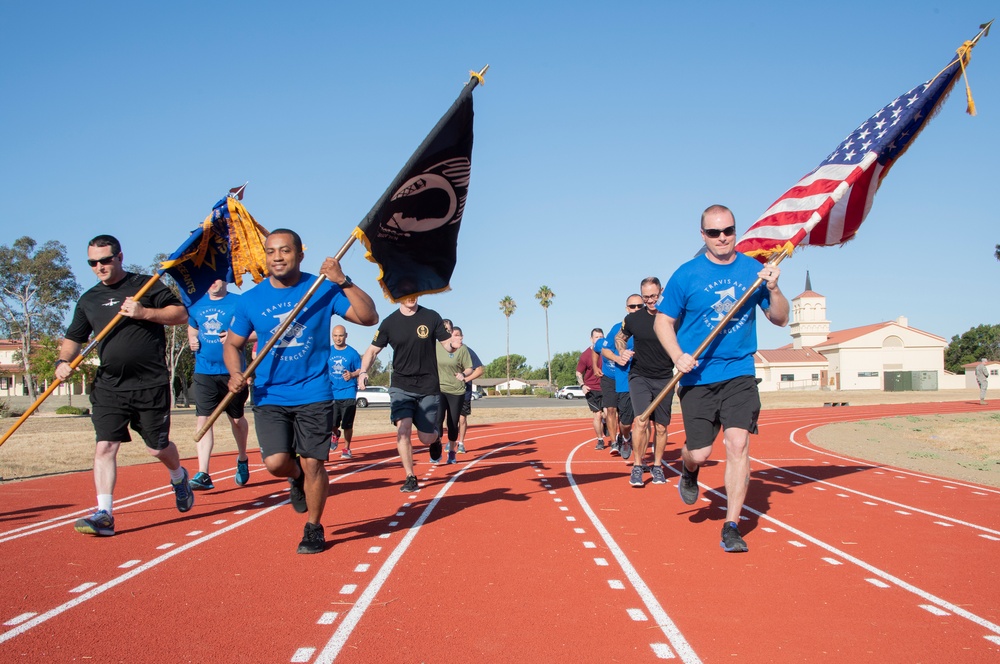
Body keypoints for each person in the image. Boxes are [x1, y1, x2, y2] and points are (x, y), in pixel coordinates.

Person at [225, 229, 378, 554]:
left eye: (284, 250)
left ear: (300, 255)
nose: (277, 257)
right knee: (277, 463)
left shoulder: (320, 290)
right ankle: (293, 477)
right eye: (271, 251)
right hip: (270, 395)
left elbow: (369, 317)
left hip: (315, 393)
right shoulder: (251, 300)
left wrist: (343, 281)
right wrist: (235, 372)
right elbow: (232, 344)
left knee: (314, 464)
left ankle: (313, 526)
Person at [656, 204, 789, 553]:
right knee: (699, 452)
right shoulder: (686, 275)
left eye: (728, 231)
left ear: (735, 231)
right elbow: (663, 322)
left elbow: (780, 319)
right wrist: (677, 356)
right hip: (697, 375)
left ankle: (732, 525)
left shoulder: (754, 270)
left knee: (738, 445)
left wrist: (774, 290)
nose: (722, 238)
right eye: (713, 233)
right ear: (703, 235)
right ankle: (688, 470)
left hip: (739, 372)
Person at [56, 235, 194, 537]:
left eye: (105, 260)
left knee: (157, 449)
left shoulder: (146, 285)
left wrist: (144, 312)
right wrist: (63, 362)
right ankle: (104, 513)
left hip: (150, 383)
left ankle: (178, 475)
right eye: (93, 262)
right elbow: (73, 338)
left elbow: (181, 314)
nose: (99, 267)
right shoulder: (88, 299)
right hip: (109, 386)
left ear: (119, 256)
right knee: (105, 446)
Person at [358, 295, 453, 492]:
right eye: (406, 293)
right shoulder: (390, 323)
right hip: (401, 385)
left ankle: (435, 438)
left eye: (415, 292)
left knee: (425, 438)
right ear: (397, 297)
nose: (411, 297)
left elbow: (447, 344)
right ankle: (410, 476)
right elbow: (372, 351)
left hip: (428, 386)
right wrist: (363, 371)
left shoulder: (431, 316)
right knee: (403, 430)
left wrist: (454, 344)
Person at [187, 279, 252, 490]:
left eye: (216, 277)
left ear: (225, 279)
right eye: (208, 277)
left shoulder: (240, 302)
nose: (211, 282)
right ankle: (203, 472)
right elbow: (192, 327)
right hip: (204, 371)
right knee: (204, 420)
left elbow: (258, 330)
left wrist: (236, 338)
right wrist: (192, 340)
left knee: (236, 419)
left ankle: (242, 458)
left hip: (232, 373)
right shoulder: (196, 303)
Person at [616, 278, 674, 488]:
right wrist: (622, 351)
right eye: (646, 297)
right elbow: (619, 337)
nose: (651, 301)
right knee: (641, 420)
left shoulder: (673, 317)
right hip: (640, 375)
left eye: (654, 296)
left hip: (666, 377)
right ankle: (638, 466)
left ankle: (657, 466)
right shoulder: (633, 319)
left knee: (660, 426)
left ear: (661, 292)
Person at [598, 294, 641, 456]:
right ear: (626, 309)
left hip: (639, 378)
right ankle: (618, 440)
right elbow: (601, 349)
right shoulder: (618, 328)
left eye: (639, 306)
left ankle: (634, 449)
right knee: (614, 413)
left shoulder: (651, 326)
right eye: (632, 306)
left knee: (636, 419)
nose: (636, 309)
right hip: (616, 378)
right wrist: (616, 359)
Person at [442, 319, 485, 453]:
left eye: (457, 335)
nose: (454, 337)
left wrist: (466, 379)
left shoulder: (467, 351)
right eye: (452, 334)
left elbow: (479, 369)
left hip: (463, 391)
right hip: (448, 390)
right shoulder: (444, 350)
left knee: (461, 418)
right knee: (449, 418)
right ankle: (451, 441)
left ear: (461, 337)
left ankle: (461, 442)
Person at [435, 326, 474, 464]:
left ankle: (452, 451)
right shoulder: (435, 345)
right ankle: (436, 447)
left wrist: (463, 374)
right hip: (439, 388)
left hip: (456, 390)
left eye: (458, 335)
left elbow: (470, 368)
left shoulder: (462, 349)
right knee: (437, 419)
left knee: (452, 423)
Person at [329, 325, 363, 459]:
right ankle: (335, 434)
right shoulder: (327, 352)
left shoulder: (352, 353)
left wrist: (352, 374)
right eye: (335, 336)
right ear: (332, 336)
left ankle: (346, 448)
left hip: (348, 392)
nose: (338, 338)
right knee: (332, 424)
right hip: (331, 393)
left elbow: (361, 369)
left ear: (346, 336)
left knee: (347, 424)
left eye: (341, 335)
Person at [576, 329, 605, 449]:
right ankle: (600, 440)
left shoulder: (608, 352)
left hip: (606, 387)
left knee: (609, 414)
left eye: (601, 337)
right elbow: (578, 372)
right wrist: (582, 385)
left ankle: (608, 425)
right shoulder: (585, 355)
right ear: (591, 339)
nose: (599, 339)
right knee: (597, 415)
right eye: (596, 337)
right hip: (591, 389)